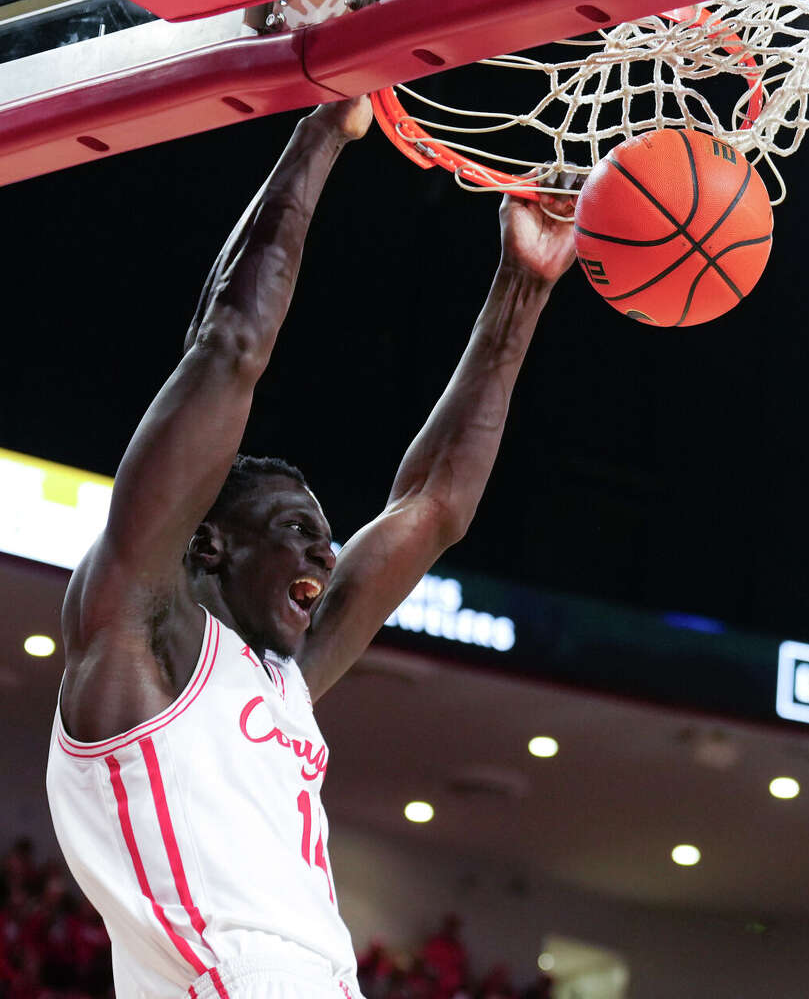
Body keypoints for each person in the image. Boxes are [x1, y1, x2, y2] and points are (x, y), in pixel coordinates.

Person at [45, 96, 578, 999]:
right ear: (208, 544)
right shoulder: (141, 639)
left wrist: (523, 285)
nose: (327, 558)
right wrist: (324, 124)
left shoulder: (284, 679)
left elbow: (433, 502)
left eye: (326, 539)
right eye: (297, 530)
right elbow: (228, 346)